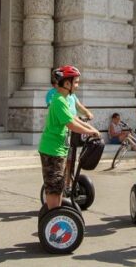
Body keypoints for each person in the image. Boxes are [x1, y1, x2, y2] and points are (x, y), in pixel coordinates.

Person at [39, 65, 100, 210]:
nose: (77, 85)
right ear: (67, 84)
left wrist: (92, 129)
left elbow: (74, 117)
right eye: (76, 82)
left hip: (58, 149)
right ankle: (53, 216)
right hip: (52, 150)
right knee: (54, 188)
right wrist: (90, 133)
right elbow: (71, 124)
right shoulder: (59, 100)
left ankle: (56, 213)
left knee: (58, 186)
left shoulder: (64, 99)